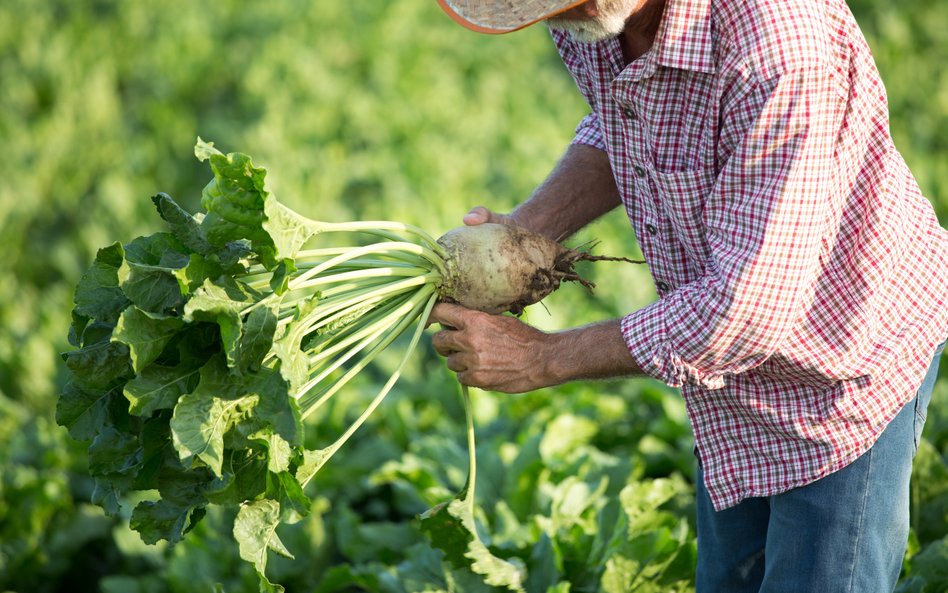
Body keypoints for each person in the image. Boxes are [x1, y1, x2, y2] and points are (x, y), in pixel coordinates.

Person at [429, 0, 948, 591]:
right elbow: (624, 120)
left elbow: (746, 306)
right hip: (723, 380)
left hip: (842, 368)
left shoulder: (778, 42)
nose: (553, 18)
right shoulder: (595, 22)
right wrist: (523, 234)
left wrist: (540, 357)